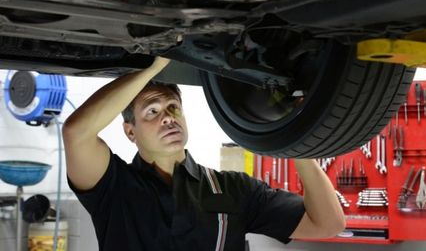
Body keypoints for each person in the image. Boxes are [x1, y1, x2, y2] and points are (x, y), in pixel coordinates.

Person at [62, 57, 345, 251]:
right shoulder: (113, 188)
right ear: (130, 132)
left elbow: (327, 223)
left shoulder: (234, 189)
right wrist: (151, 69)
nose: (168, 118)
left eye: (173, 107)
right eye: (152, 111)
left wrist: (294, 137)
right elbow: (76, 132)